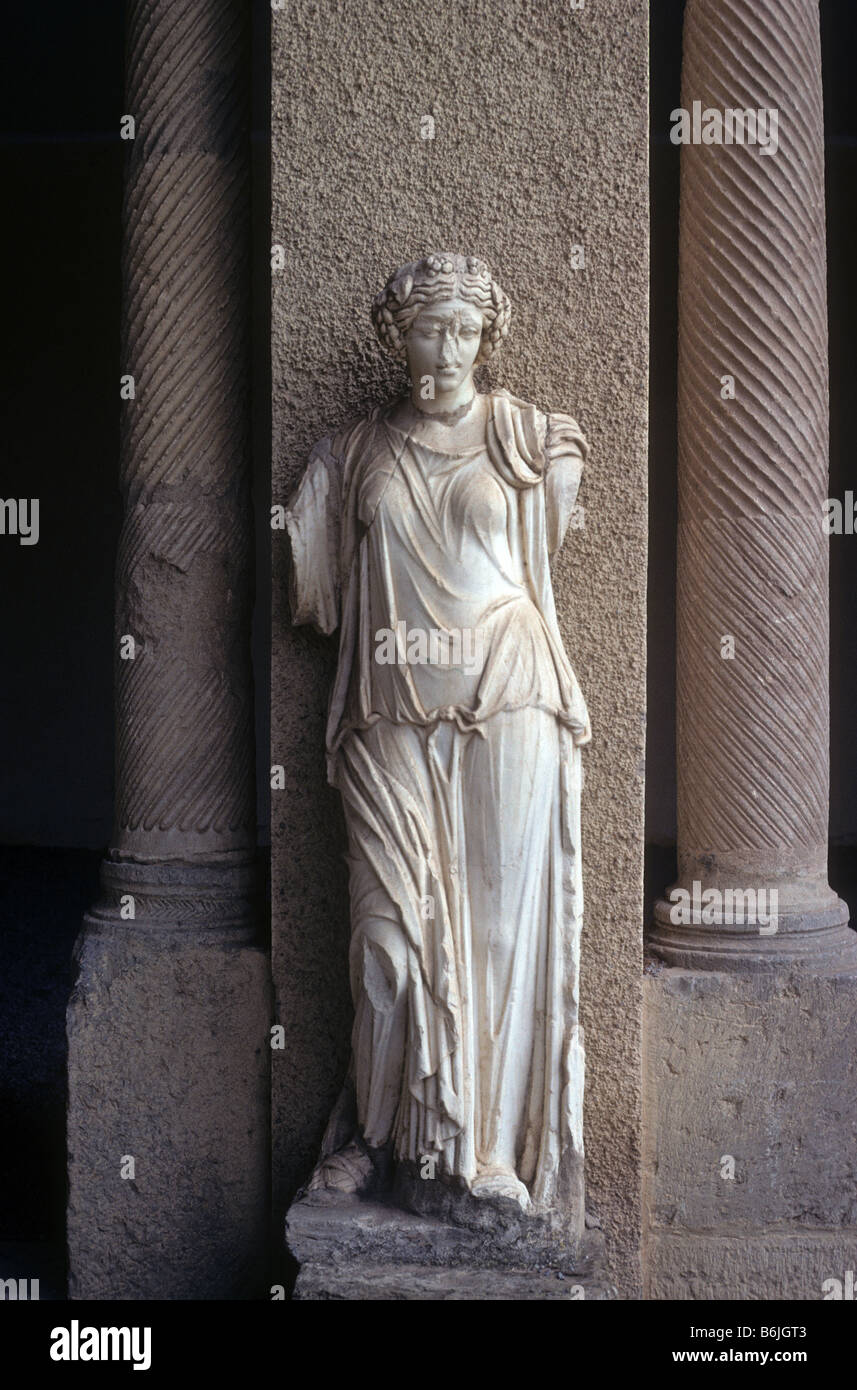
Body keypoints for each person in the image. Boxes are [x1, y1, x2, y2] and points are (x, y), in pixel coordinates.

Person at [286, 253, 590, 1213]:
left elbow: (546, 533)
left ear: (485, 338)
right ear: (395, 336)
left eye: (465, 330)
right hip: (386, 721)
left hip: (506, 704)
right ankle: (373, 1139)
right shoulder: (349, 456)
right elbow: (314, 588)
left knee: (497, 939)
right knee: (383, 950)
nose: (447, 348)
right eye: (429, 328)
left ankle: (488, 1153)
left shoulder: (528, 438)